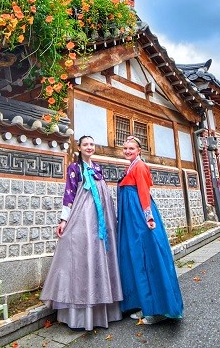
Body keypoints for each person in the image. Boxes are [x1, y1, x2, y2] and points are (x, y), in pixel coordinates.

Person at [40, 135, 122, 330]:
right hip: (82, 220)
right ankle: (79, 311)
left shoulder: (98, 169)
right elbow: (68, 194)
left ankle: (102, 307)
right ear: (79, 147)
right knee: (80, 256)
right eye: (86, 144)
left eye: (92, 144)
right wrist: (63, 220)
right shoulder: (74, 169)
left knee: (100, 257)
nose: (89, 147)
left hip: (100, 222)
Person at [117, 135, 183, 325]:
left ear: (139, 151)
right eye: (125, 148)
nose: (128, 151)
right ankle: (145, 305)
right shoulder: (131, 166)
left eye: (131, 148)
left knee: (148, 258)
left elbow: (144, 193)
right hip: (131, 218)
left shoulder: (140, 166)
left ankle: (158, 309)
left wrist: (149, 218)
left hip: (140, 217)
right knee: (135, 258)